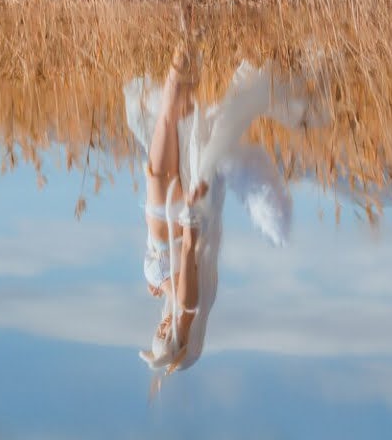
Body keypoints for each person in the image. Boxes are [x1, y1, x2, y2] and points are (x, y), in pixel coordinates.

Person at [125, 54, 313, 377]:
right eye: (163, 338)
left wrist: (157, 284)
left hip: (160, 205)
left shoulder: (170, 299)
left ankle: (188, 42)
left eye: (154, 335)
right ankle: (188, 44)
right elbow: (187, 249)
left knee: (170, 118)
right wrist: (192, 212)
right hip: (176, 209)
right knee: (170, 120)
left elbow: (170, 267)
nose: (158, 330)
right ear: (178, 339)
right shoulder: (188, 304)